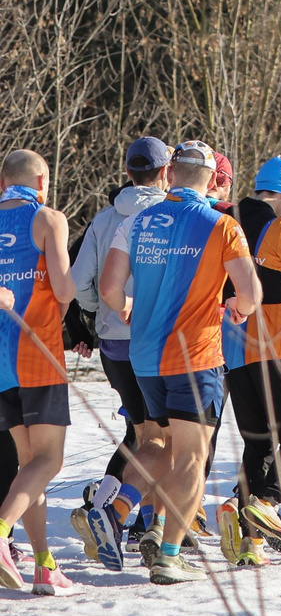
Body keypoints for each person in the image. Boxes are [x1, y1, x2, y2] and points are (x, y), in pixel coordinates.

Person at [96, 140, 258, 583]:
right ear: (210, 179)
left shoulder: (137, 221)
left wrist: (126, 306)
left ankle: (118, 508)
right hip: (196, 355)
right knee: (191, 455)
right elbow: (251, 293)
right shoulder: (222, 225)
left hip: (144, 355)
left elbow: (109, 289)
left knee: (158, 442)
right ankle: (169, 553)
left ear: (169, 175)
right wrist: (239, 308)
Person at [68, 136, 172, 562]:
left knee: (144, 433)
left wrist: (100, 313)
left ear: (127, 172)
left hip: (114, 341)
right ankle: (124, 516)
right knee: (166, 439)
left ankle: (134, 520)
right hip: (159, 337)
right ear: (165, 172)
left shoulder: (105, 218)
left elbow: (79, 283)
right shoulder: (171, 216)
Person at [218, 158, 281, 562]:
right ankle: (268, 503)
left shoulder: (223, 222)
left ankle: (247, 538)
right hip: (277, 344)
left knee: (257, 441)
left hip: (231, 346)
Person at [0, 148, 76, 593]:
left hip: (0, 359)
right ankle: (2, 532)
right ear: (42, 179)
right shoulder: (48, 218)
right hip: (36, 352)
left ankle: (45, 566)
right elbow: (65, 286)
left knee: (30, 465)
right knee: (50, 459)